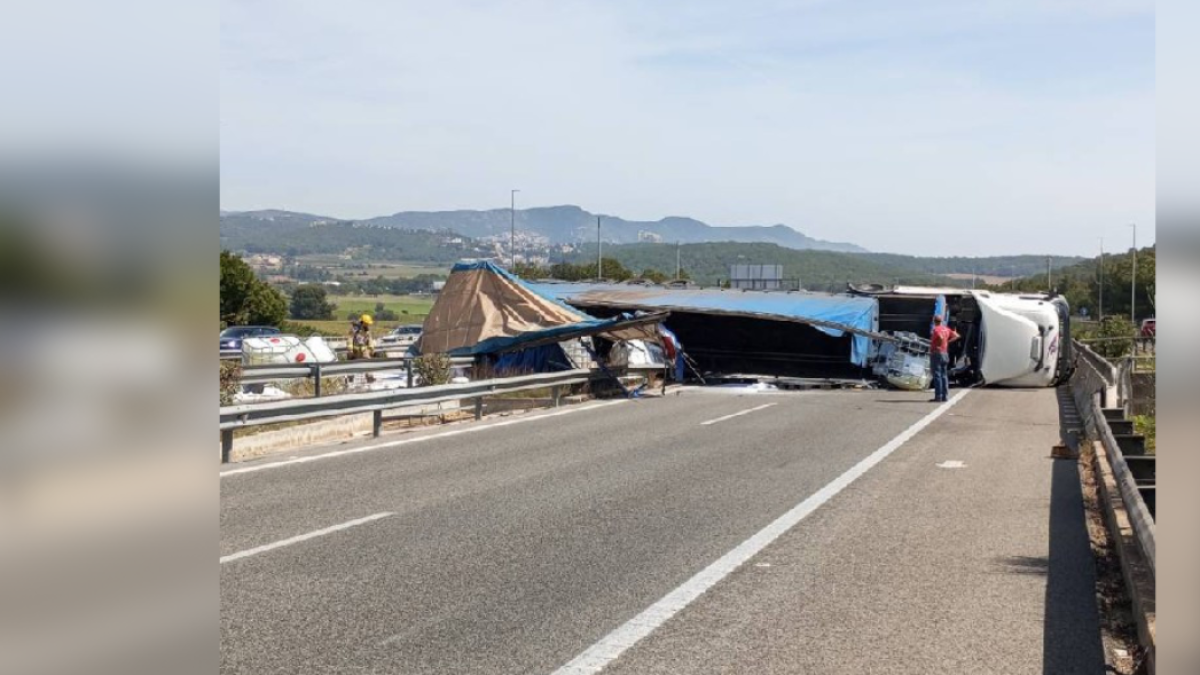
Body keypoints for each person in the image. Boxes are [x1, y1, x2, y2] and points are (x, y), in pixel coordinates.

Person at [929, 314, 959, 402]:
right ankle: (945, 396)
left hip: (937, 353)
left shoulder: (936, 329)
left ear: (934, 321)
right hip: (945, 353)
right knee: (944, 375)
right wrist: (947, 342)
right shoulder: (946, 329)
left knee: (937, 375)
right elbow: (956, 336)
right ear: (941, 321)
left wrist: (939, 343)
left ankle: (938, 396)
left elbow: (940, 337)